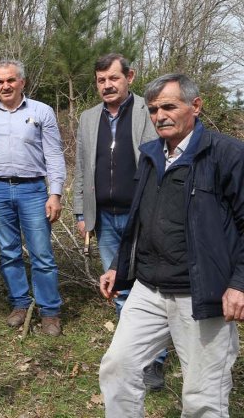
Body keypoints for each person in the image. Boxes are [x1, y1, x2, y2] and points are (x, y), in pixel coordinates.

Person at [98, 73, 244, 417]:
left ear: (195, 106)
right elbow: (140, 219)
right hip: (148, 289)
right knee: (117, 367)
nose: (159, 115)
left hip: (202, 293)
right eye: (152, 109)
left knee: (202, 394)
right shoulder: (150, 155)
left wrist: (239, 283)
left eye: (168, 106)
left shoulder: (227, 155)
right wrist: (120, 265)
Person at [71, 53, 164, 389]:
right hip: (105, 217)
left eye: (113, 78)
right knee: (120, 287)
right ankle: (132, 357)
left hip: (143, 213)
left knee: (150, 285)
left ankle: (154, 361)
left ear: (130, 77)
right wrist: (81, 211)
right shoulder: (88, 118)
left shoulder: (150, 111)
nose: (107, 85)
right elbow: (82, 167)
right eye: (101, 80)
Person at [0, 59, 65, 336]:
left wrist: (54, 193)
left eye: (10, 80)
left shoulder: (41, 112)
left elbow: (54, 155)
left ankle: (49, 312)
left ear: (22, 82)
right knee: (9, 252)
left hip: (32, 189)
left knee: (41, 253)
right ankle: (20, 304)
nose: (5, 86)